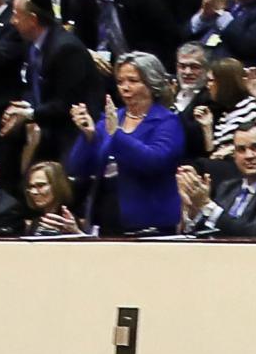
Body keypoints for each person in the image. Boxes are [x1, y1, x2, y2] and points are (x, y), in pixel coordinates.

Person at [63, 50, 184, 235]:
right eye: (120, 82)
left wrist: (116, 135)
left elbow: (154, 162)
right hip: (106, 218)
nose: (125, 87)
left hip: (150, 223)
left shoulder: (167, 122)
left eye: (133, 81)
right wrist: (88, 136)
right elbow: (77, 168)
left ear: (152, 84)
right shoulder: (112, 118)